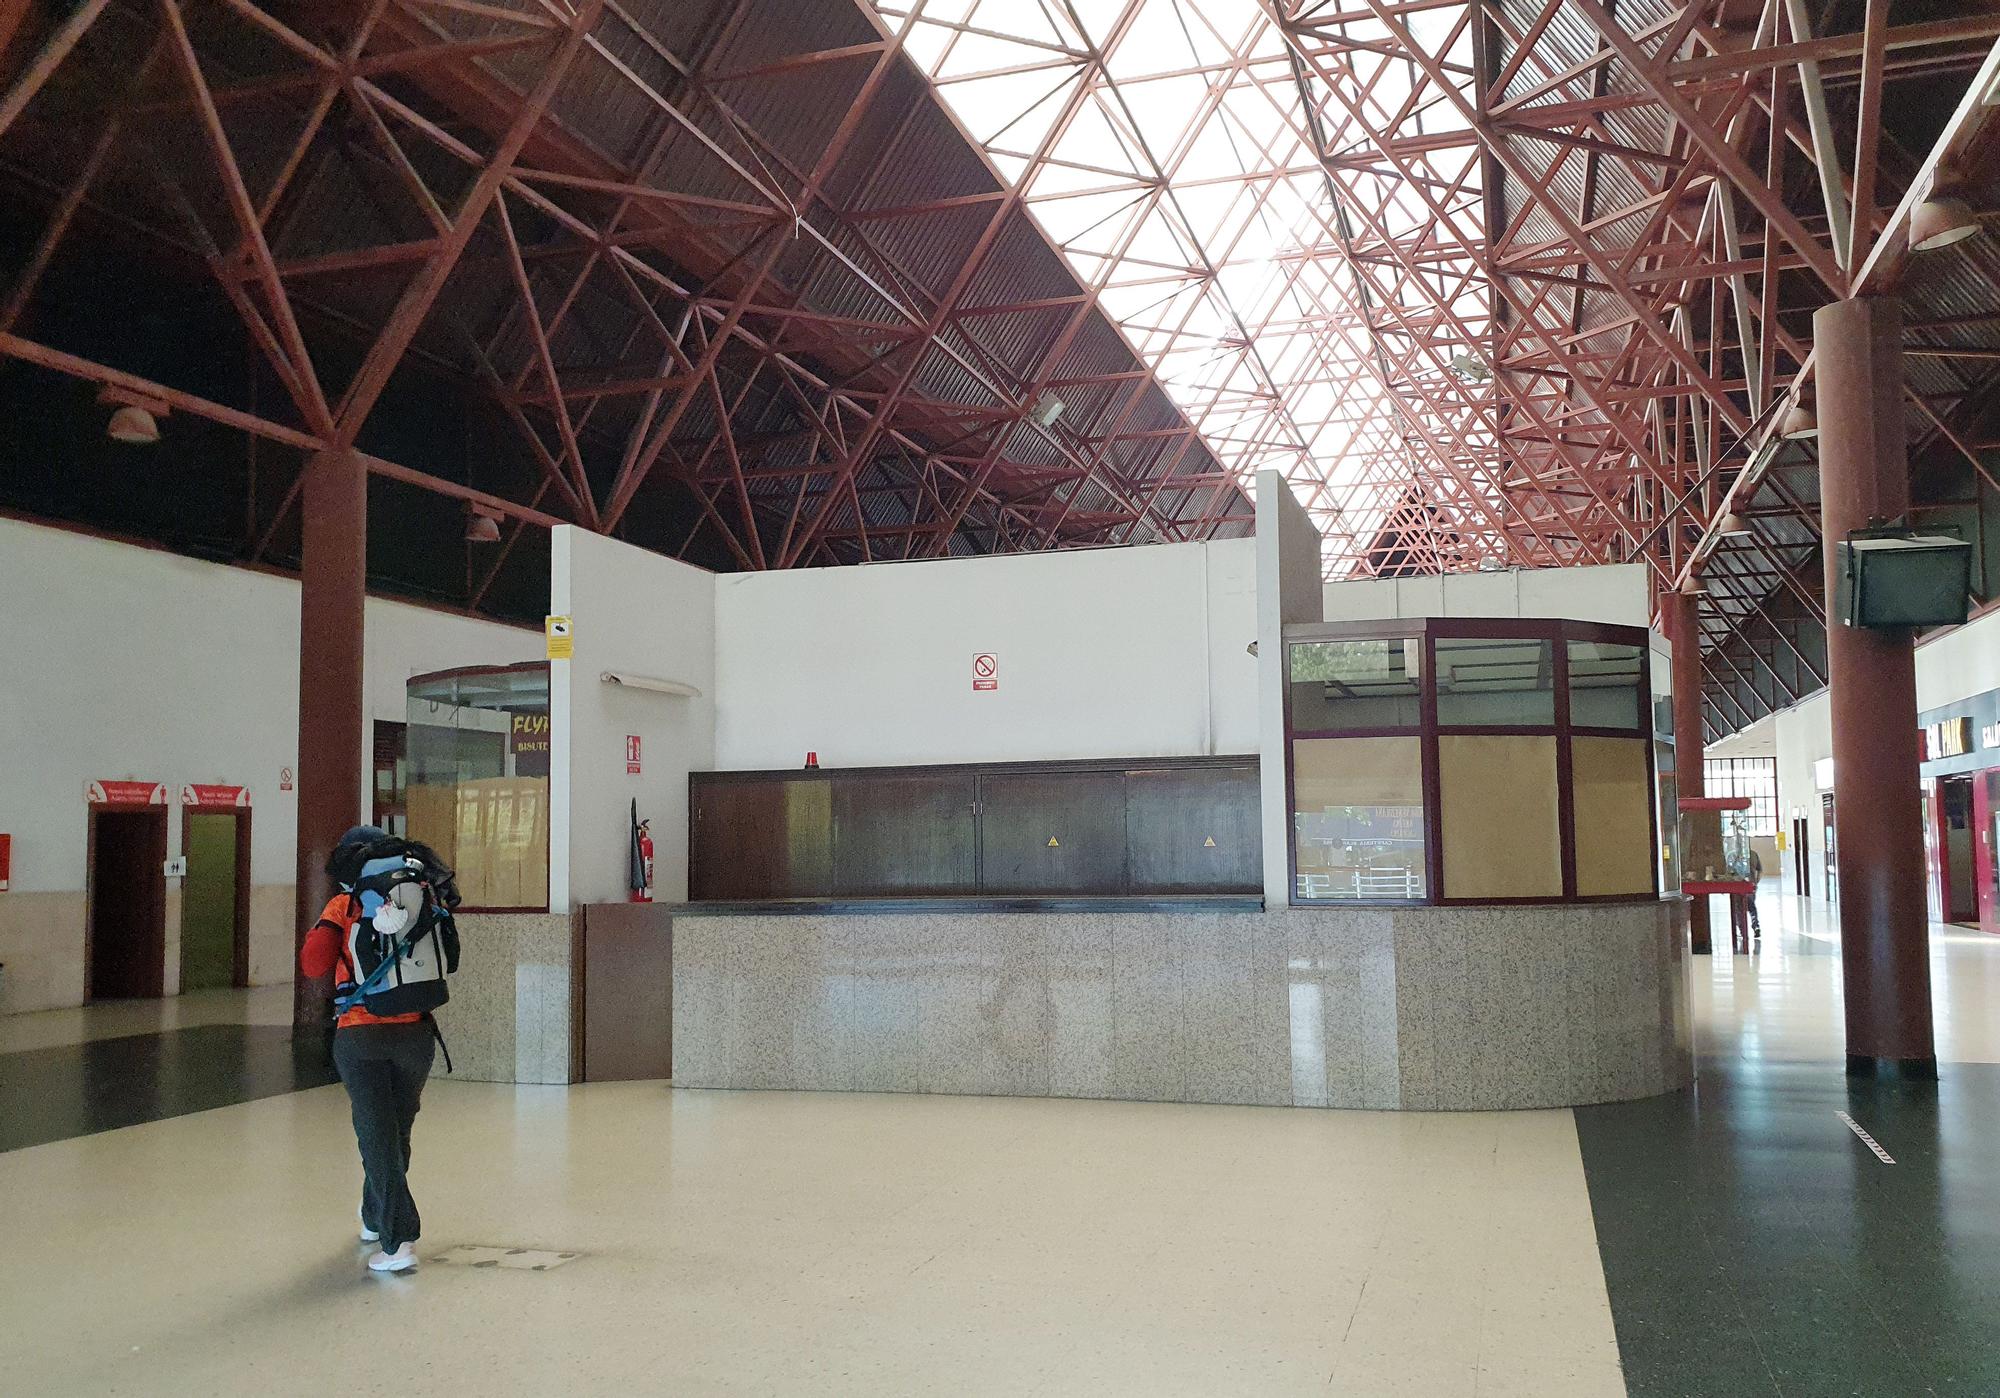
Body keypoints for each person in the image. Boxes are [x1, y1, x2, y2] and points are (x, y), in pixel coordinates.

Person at [300, 826, 459, 1274]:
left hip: (361, 1036)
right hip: (417, 1034)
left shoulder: (345, 904)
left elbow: (313, 963)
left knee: (376, 1136)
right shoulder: (419, 896)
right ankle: (374, 1215)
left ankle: (398, 1240)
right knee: (395, 1132)